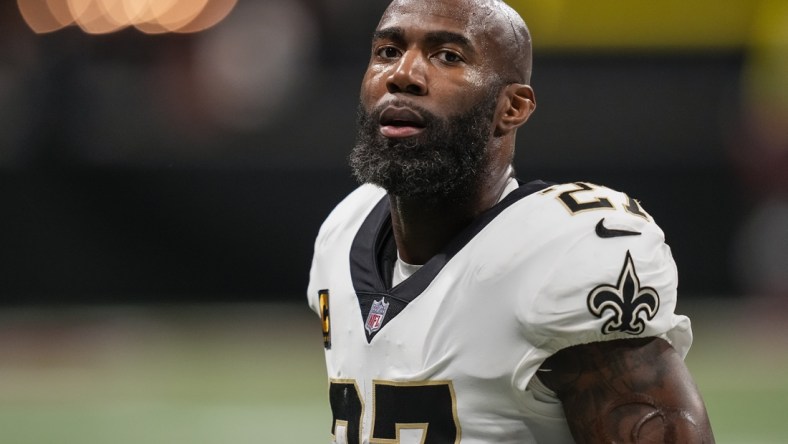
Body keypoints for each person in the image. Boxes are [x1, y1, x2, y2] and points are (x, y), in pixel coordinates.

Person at [307, 0, 715, 442]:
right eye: (388, 51)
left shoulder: (561, 254)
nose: (402, 74)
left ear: (513, 108)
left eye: (448, 56)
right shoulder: (345, 228)